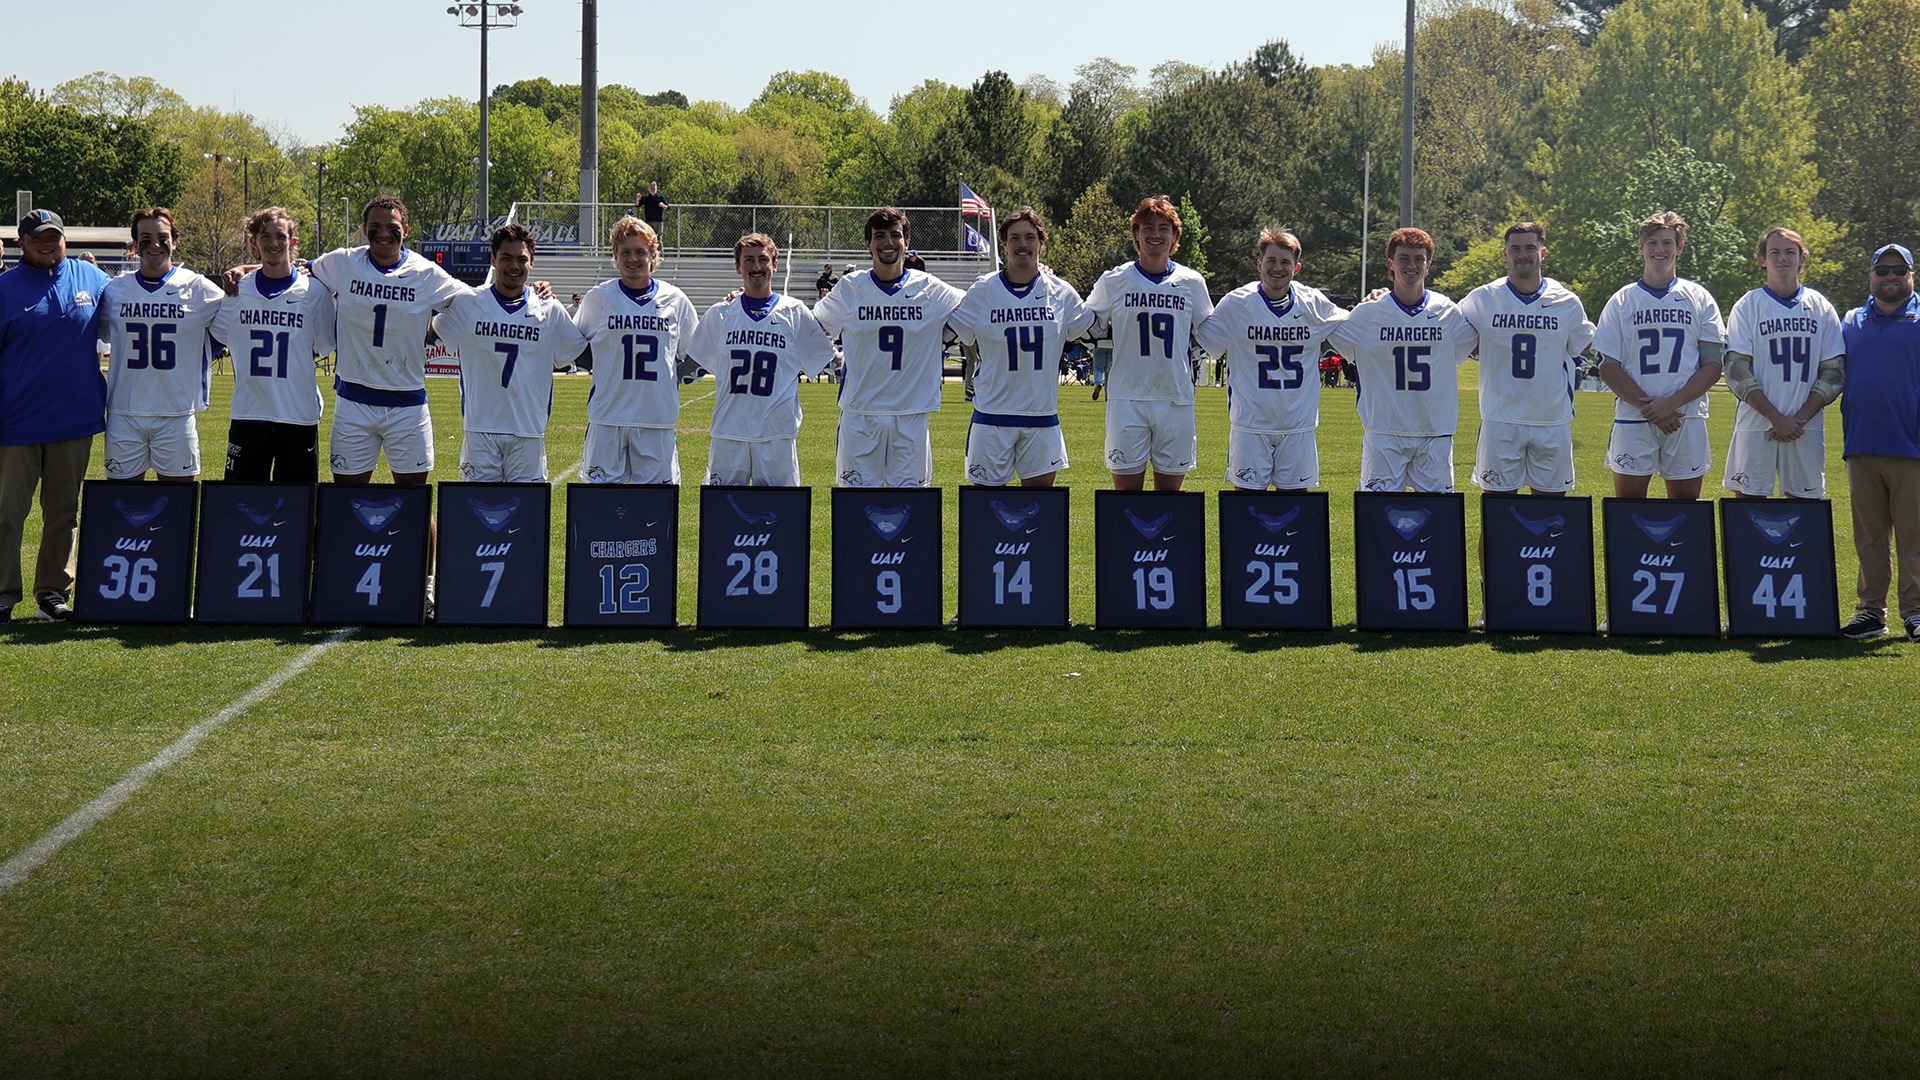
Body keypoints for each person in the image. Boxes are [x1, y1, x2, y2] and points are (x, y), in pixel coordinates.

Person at [307, 196, 470, 484]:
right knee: (345, 502)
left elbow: (470, 301)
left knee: (414, 506)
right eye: (375, 226)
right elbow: (296, 271)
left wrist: (436, 330)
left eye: (392, 226)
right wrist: (247, 270)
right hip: (353, 400)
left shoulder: (425, 273)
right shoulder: (343, 263)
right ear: (363, 229)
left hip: (407, 403)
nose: (383, 233)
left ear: (405, 229)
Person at [0, 209, 111, 621]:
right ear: (21, 243)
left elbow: (138, 296)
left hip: (74, 419)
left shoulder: (93, 279)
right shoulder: (4, 290)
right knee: (8, 512)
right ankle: (3, 592)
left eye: (54, 236)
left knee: (64, 511)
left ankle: (52, 591)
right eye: (38, 237)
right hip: (16, 422)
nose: (48, 243)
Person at [812, 207, 966, 487]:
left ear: (906, 242)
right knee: (855, 505)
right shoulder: (851, 287)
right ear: (868, 244)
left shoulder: (929, 288)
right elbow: (814, 327)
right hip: (861, 412)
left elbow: (975, 307)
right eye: (879, 236)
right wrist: (835, 359)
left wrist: (1035, 276)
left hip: (911, 411)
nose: (888, 243)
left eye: (895, 235)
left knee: (911, 506)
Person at [1194, 227, 1347, 492]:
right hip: (1251, 424)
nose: (1278, 268)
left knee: (1296, 509)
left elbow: (1352, 326)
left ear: (1296, 268)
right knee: (1246, 507)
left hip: (1298, 425)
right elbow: (1203, 338)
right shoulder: (1238, 303)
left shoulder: (1312, 303)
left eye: (1285, 262)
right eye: (1272, 261)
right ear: (1259, 265)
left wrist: (1375, 303)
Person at [949, 206, 1094, 487]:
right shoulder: (983, 290)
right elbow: (953, 330)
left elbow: (1092, 326)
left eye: (1030, 237)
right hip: (991, 416)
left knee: (1040, 514)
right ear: (1004, 244)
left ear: (1041, 242)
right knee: (984, 511)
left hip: (1041, 416)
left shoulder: (1061, 292)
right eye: (1015, 238)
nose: (1022, 244)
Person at [432, 224, 589, 483]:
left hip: (527, 431)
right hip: (479, 429)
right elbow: (428, 334)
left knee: (526, 514)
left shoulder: (548, 308)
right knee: (478, 511)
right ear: (493, 260)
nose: (514, 266)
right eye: (506, 258)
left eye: (521, 259)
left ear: (532, 263)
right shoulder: (469, 302)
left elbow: (582, 354)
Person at [1328, 227, 1479, 492]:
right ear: (1391, 264)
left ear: (1428, 265)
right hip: (1384, 432)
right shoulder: (1369, 312)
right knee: (1377, 516)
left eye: (1419, 259)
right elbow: (1334, 332)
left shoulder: (1445, 310)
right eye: (1404, 258)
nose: (1412, 265)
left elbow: (1472, 342)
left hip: (1434, 431)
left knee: (1437, 519)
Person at [1593, 211, 1728, 501]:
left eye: (1667, 242)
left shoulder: (1699, 297)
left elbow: (1712, 364)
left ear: (1680, 247)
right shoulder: (1622, 300)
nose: (1659, 250)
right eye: (1652, 242)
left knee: (1685, 511)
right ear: (1640, 247)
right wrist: (1652, 408)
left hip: (1685, 415)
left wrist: (1672, 403)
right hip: (1634, 416)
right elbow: (1608, 366)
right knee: (1627, 512)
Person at [1085, 195, 1215, 491]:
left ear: (1175, 236)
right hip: (1127, 399)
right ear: (1136, 235)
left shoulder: (1192, 282)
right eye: (1147, 227)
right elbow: (1087, 321)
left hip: (1175, 398)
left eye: (1163, 228)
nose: (1155, 234)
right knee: (1126, 499)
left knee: (1169, 499)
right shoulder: (1115, 280)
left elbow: (1211, 332)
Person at [1456, 222, 1596, 496]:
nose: (1523, 255)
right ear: (1504, 253)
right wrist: (1386, 298)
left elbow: (1589, 346)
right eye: (1515, 248)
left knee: (1551, 515)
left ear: (1543, 252)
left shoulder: (1566, 301)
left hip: (1551, 421)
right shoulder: (1483, 298)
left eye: (1530, 248)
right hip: (1501, 420)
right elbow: (1441, 325)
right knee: (1496, 516)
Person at [686, 233, 836, 486]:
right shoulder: (721, 314)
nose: (756, 267)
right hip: (729, 434)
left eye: (763, 260)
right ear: (738, 267)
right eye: (749, 260)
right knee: (722, 513)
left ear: (775, 265)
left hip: (776, 435)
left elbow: (826, 363)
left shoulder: (795, 312)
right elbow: (692, 367)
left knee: (781, 515)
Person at [96, 207, 226, 481]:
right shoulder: (115, 290)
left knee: (179, 507)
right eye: (146, 237)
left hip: (176, 412)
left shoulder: (198, 287)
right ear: (135, 244)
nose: (155, 244)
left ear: (175, 241)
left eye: (162, 236)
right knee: (121, 505)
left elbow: (236, 313)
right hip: (124, 411)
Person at [573, 215, 702, 484]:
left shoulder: (675, 300)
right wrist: (605, 368)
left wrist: (670, 378)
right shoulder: (599, 298)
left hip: (656, 420)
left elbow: (696, 355)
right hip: (608, 418)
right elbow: (575, 347)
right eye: (626, 252)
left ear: (654, 255)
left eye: (641, 252)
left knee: (656, 510)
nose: (633, 259)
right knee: (599, 506)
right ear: (615, 256)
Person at [212, 207, 337, 482]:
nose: (273, 243)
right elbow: (220, 334)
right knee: (241, 501)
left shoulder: (314, 292)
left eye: (280, 236)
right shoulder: (238, 290)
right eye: (265, 236)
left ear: (292, 242)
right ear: (253, 242)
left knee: (298, 505)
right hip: (249, 413)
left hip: (297, 413)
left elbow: (324, 345)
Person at [1722, 227, 1846, 500]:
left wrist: (1798, 419)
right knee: (1747, 506)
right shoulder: (1748, 305)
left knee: (1805, 509)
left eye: (1790, 252)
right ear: (1762, 259)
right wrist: (1776, 419)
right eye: (1774, 252)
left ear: (1802, 258)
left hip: (1806, 425)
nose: (1782, 259)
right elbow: (1736, 370)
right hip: (1756, 424)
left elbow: (1834, 372)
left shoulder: (1820, 306)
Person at [1839, 242, 1920, 641]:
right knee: (1869, 538)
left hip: (1913, 449)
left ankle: (1916, 613)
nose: (1890, 277)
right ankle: (1871, 612)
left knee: (1914, 537)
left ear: (1911, 275)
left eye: (1898, 270)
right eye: (1883, 270)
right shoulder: (1851, 320)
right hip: (1862, 446)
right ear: (1870, 275)